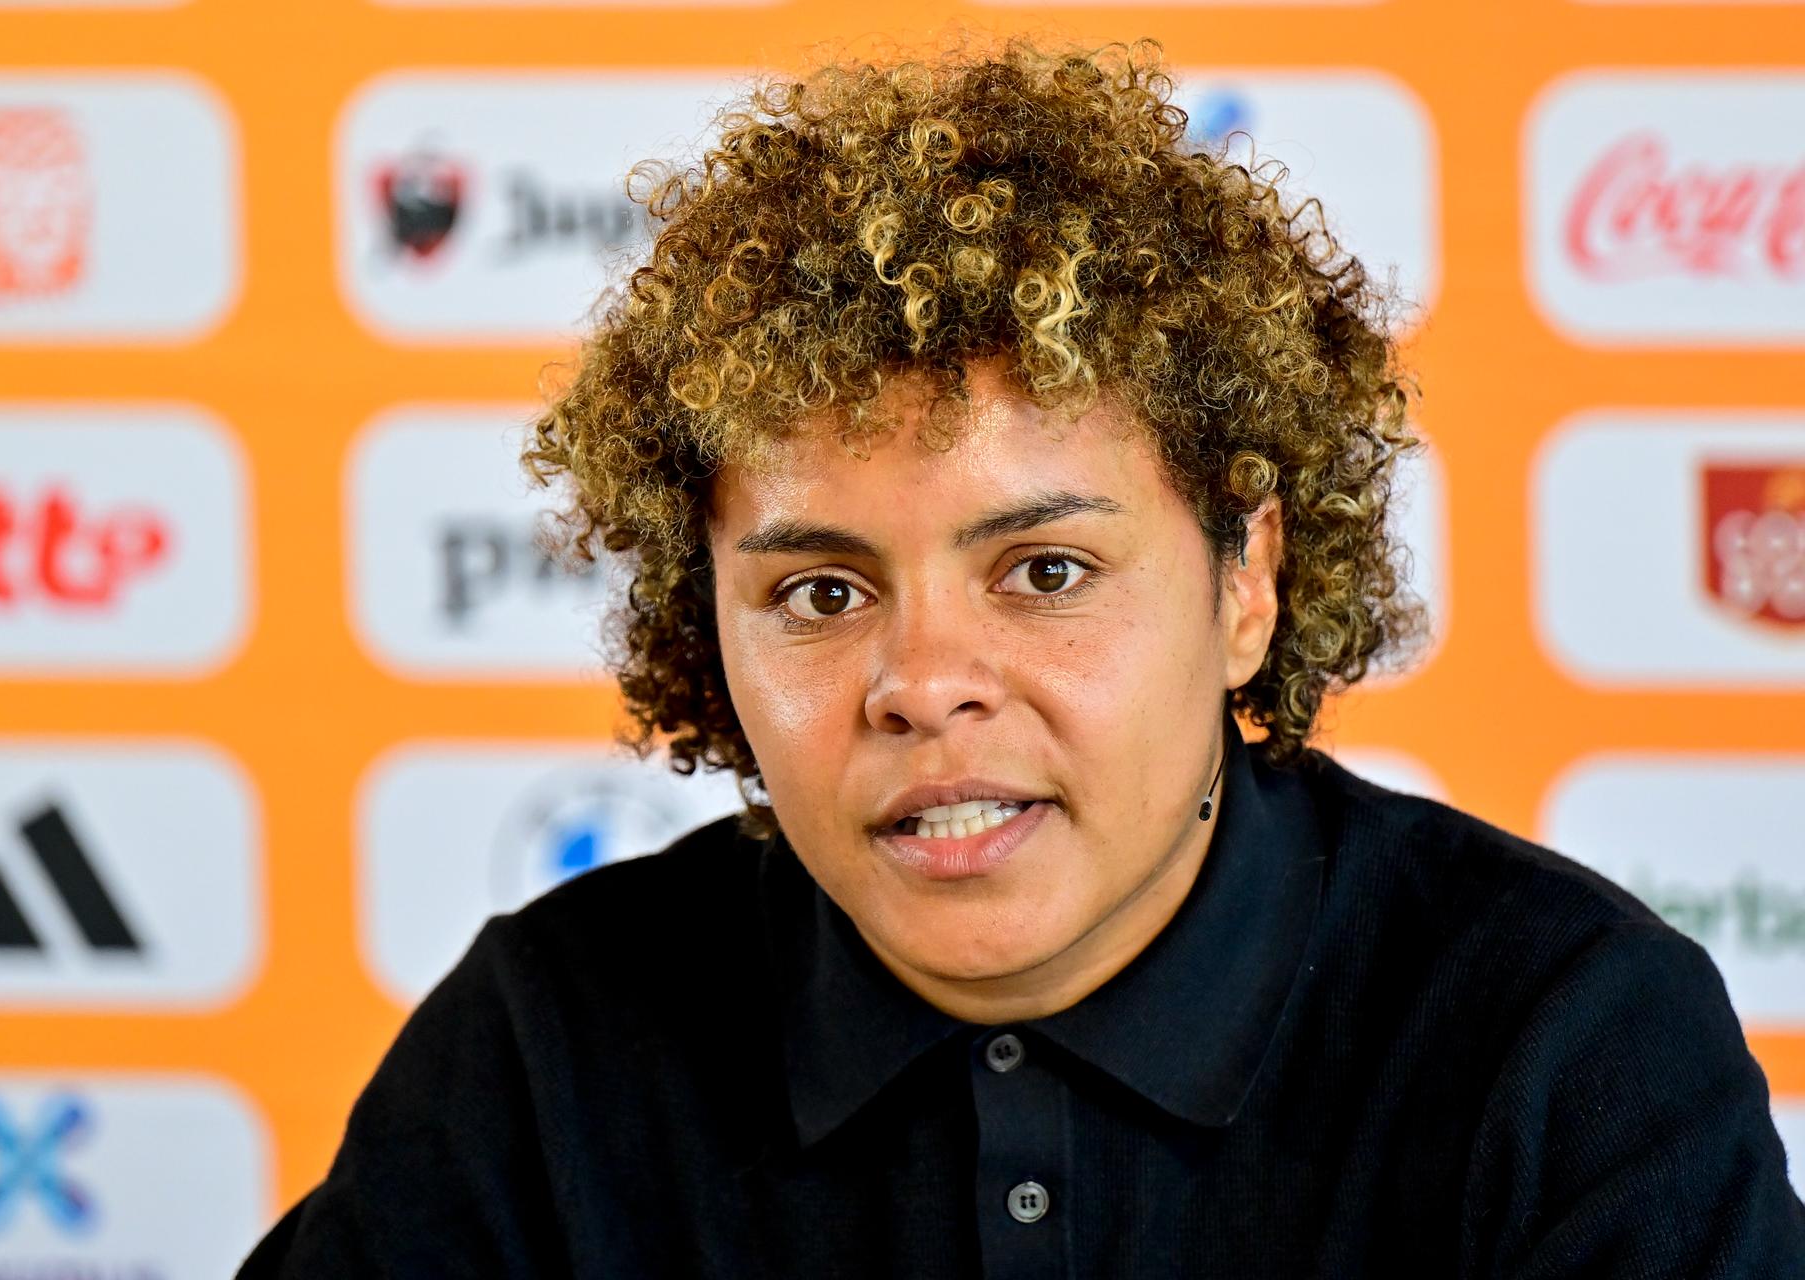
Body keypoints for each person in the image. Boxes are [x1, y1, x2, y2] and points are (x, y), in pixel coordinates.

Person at [239, 40, 1805, 1276]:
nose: (924, 681)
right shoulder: (547, 1051)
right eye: (819, 593)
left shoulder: (1565, 1045)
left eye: (1045, 572)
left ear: (1245, 581)